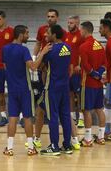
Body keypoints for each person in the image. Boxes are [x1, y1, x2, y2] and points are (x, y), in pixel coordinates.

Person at [2, 25, 51, 156]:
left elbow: (5, 66)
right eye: (27, 33)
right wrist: (43, 52)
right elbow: (34, 67)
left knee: (12, 118)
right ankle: (30, 148)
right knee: (28, 118)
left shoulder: (5, 49)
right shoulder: (23, 50)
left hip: (12, 88)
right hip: (25, 89)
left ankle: (9, 148)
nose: (28, 36)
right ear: (20, 34)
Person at [40, 24, 72, 156]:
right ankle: (67, 144)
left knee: (52, 116)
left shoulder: (50, 50)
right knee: (65, 115)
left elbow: (40, 65)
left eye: (48, 33)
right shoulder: (68, 47)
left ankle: (54, 146)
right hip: (65, 86)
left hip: (52, 87)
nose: (46, 35)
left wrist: (42, 53)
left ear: (54, 34)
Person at [79, 21, 106, 147]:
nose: (80, 32)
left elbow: (85, 66)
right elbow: (105, 63)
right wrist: (99, 74)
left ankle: (88, 139)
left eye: (81, 30)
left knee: (86, 110)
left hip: (87, 83)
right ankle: (101, 137)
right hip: (98, 84)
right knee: (100, 109)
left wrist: (94, 74)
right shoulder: (100, 45)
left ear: (84, 30)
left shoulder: (83, 46)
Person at [64, 15, 83, 150]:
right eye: (68, 22)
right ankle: (72, 117)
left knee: (79, 94)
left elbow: (83, 51)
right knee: (70, 94)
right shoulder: (65, 36)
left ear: (77, 23)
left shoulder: (80, 35)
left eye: (72, 23)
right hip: (67, 70)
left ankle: (80, 116)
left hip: (77, 70)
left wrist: (80, 65)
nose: (69, 24)